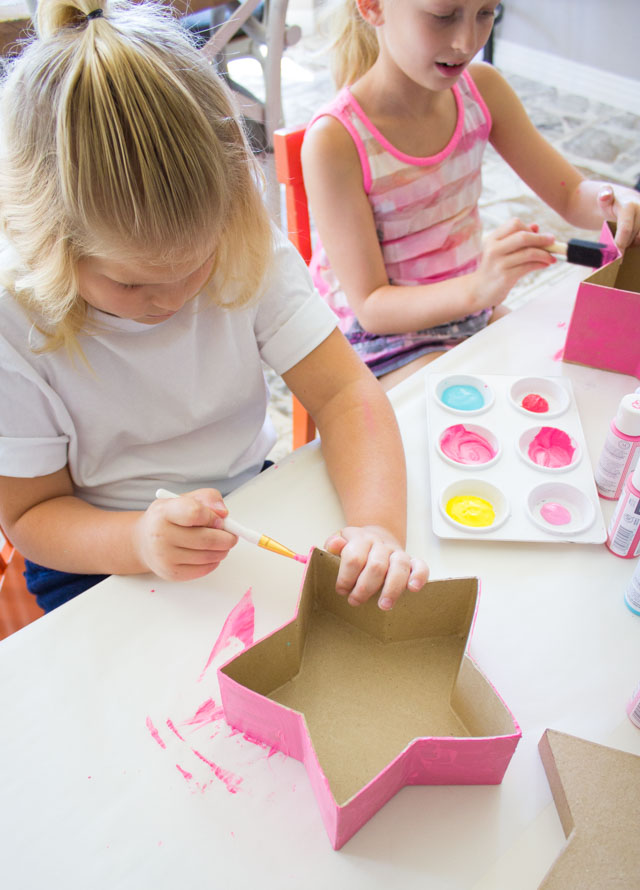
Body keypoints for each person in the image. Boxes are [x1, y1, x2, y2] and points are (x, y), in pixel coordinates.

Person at [0, 0, 428, 614]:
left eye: (195, 268)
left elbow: (345, 394)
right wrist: (139, 541)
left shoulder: (239, 242)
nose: (173, 299)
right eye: (131, 285)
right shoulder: (16, 317)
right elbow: (32, 515)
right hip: (96, 549)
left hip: (246, 498)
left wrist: (378, 527)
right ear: (49, 249)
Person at [302, 0, 640, 390]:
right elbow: (373, 307)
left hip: (472, 303)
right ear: (374, 6)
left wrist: (619, 200)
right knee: (464, 421)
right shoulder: (334, 140)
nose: (467, 42)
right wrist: (480, 288)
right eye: (443, 16)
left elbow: (571, 195)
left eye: (486, 12)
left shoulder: (483, 89)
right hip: (382, 340)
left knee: (561, 387)